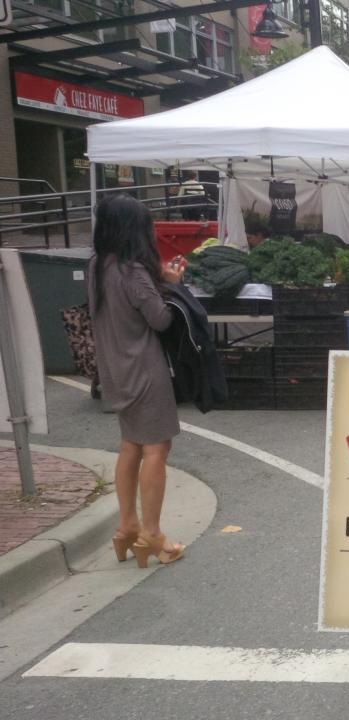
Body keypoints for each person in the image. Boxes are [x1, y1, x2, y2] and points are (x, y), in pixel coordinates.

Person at [87, 196, 188, 568]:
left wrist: (157, 275)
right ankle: (153, 533)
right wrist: (172, 284)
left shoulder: (99, 265)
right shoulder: (133, 272)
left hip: (114, 369)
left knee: (130, 445)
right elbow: (160, 319)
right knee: (156, 450)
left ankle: (127, 527)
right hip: (145, 370)